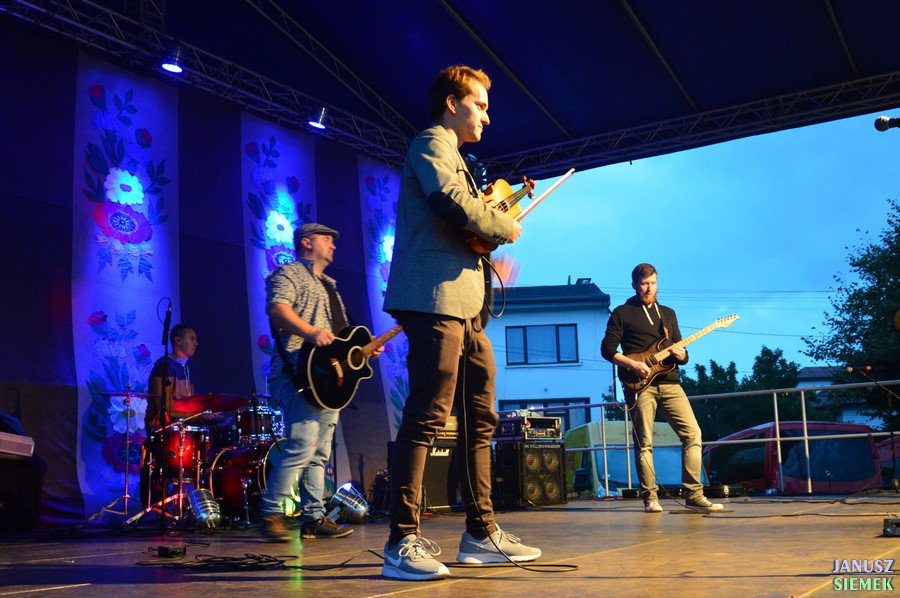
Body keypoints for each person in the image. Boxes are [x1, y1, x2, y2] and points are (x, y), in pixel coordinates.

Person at [381, 65, 540, 582]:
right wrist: (501, 224)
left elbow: (464, 225)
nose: (487, 117)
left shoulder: (458, 156)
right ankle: (401, 540)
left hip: (465, 305)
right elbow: (449, 201)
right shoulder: (431, 142)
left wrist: (491, 245)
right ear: (452, 103)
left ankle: (480, 533)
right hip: (435, 300)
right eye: (480, 105)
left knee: (479, 417)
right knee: (429, 411)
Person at [260, 222, 375, 541]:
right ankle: (270, 511)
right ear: (307, 242)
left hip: (326, 380)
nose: (333, 244)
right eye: (327, 238)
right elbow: (277, 309)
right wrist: (310, 332)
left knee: (319, 452)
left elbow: (340, 338)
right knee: (303, 444)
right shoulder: (288, 273)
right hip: (296, 372)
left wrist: (362, 351)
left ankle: (313, 517)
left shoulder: (330, 286)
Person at [600, 263, 724, 513]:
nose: (649, 288)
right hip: (640, 385)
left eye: (653, 283)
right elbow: (607, 349)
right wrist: (633, 365)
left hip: (670, 383)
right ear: (634, 285)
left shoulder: (668, 314)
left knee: (693, 434)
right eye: (644, 284)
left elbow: (682, 352)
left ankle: (694, 494)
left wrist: (682, 355)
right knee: (644, 442)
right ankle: (651, 498)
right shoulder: (622, 313)